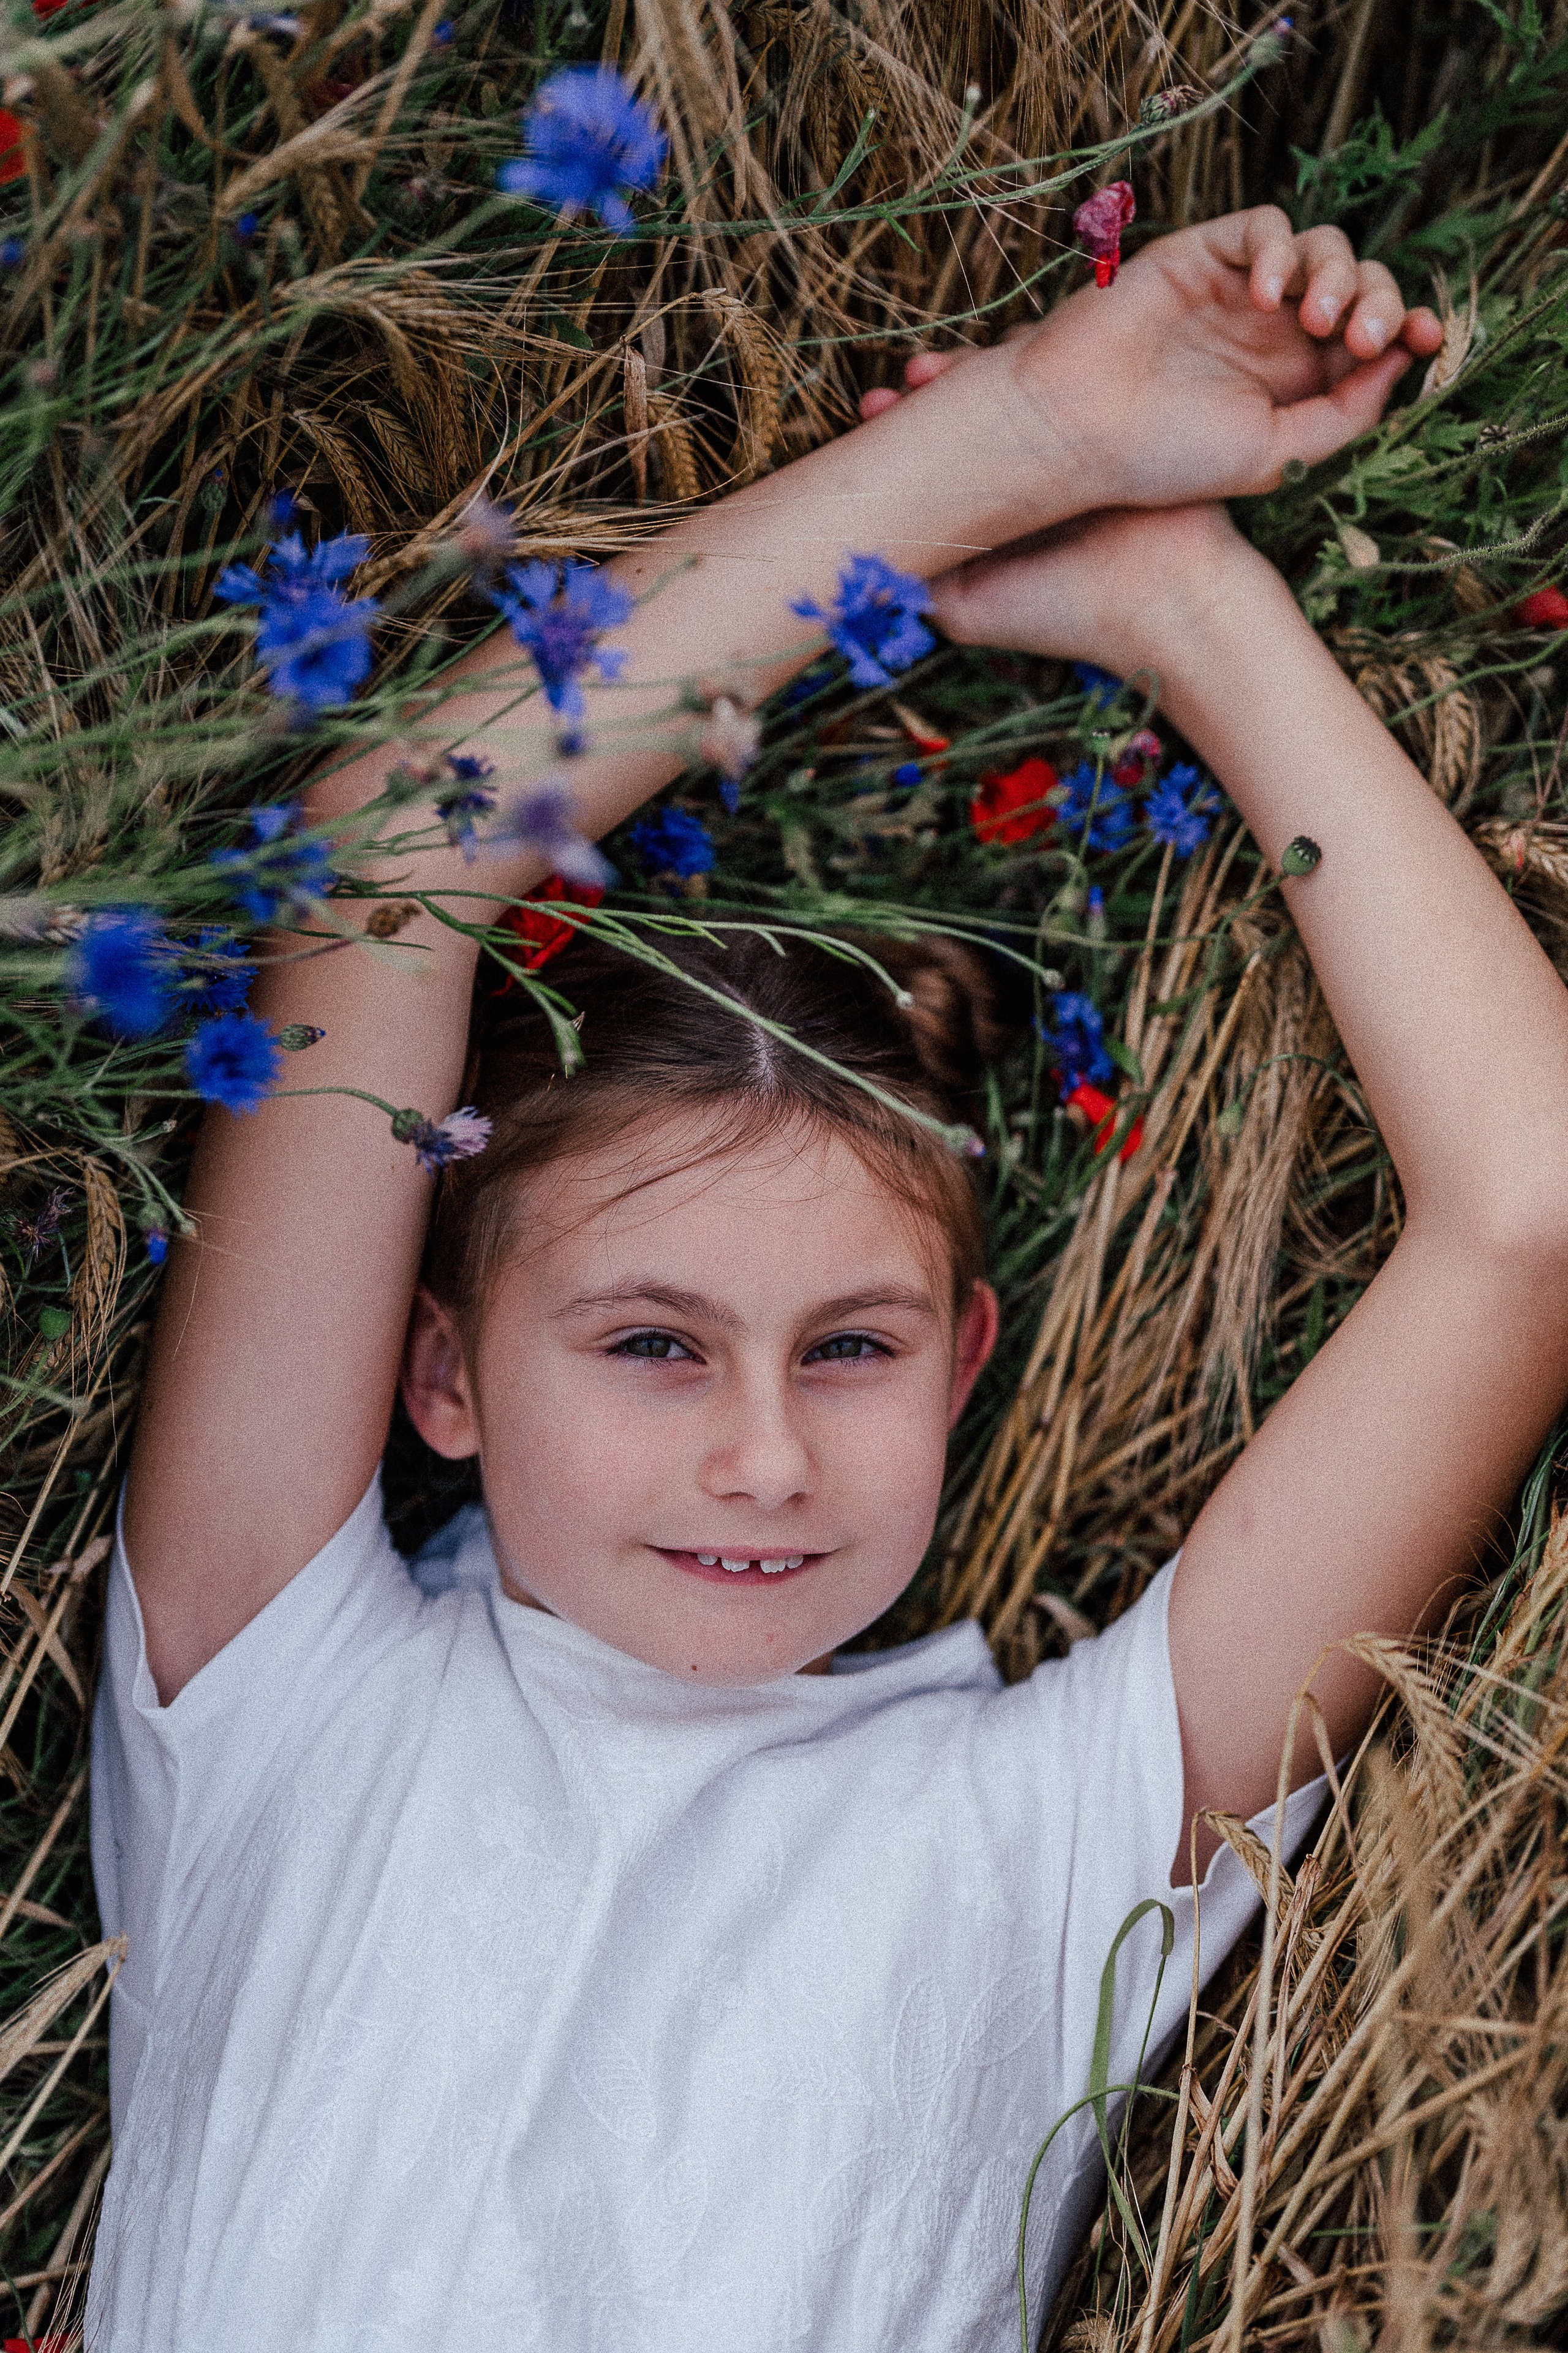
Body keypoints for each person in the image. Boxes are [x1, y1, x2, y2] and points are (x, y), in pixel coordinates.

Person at [86, 208, 1562, 2353]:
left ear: (965, 1357)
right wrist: (1024, 425)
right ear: (443, 1373)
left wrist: (1191, 608)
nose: (764, 1455)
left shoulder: (1042, 1834)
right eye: (653, 1342)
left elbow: (1525, 1218)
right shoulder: (279, 1703)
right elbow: (390, 867)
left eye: (850, 1347)